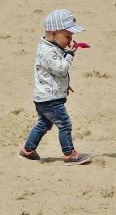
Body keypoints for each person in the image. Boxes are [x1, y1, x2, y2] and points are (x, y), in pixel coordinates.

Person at [19, 9, 92, 165]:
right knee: (65, 124)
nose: (70, 40)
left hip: (45, 97)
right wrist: (70, 55)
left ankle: (28, 150)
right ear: (53, 33)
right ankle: (69, 154)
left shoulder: (52, 48)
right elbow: (60, 68)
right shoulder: (48, 52)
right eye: (67, 36)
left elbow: (52, 74)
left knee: (44, 124)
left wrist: (65, 85)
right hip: (50, 99)